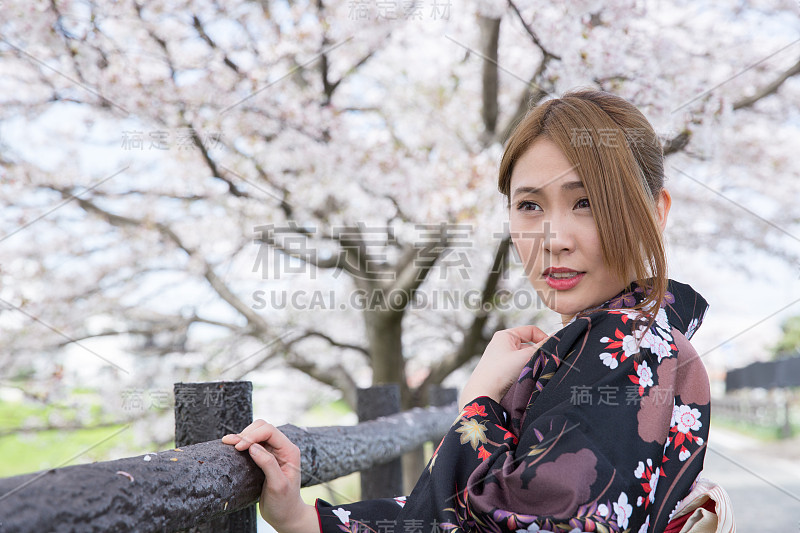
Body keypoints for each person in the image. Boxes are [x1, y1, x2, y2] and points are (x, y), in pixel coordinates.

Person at [223, 89, 724, 533]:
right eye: (530, 206)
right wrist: (303, 518)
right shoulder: (637, 339)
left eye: (586, 202)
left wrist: (481, 402)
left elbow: (521, 520)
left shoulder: (625, 347)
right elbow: (476, 511)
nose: (553, 240)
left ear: (655, 213)